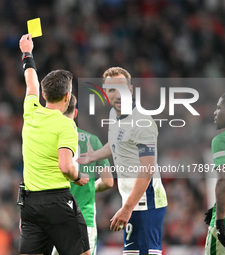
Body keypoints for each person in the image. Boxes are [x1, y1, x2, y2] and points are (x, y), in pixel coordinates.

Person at [79, 67, 167, 255]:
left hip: (146, 203)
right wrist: (94, 155)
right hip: (131, 202)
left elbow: (147, 169)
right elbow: (116, 143)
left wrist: (127, 208)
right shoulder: (114, 115)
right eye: (112, 90)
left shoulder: (142, 123)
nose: (118, 95)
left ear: (131, 90)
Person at [18, 34, 90, 255]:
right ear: (67, 96)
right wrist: (79, 177)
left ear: (44, 93)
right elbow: (65, 166)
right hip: (57, 202)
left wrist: (27, 53)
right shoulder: (66, 125)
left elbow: (30, 80)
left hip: (30, 204)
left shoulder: (30, 111)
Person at [51, 94, 114, 255]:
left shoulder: (49, 140)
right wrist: (90, 184)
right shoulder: (93, 141)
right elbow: (108, 182)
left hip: (53, 219)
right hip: (84, 218)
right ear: (76, 113)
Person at [205, 91, 225, 255]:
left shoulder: (221, 141)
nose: (215, 112)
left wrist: (219, 221)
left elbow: (224, 181)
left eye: (219, 108)